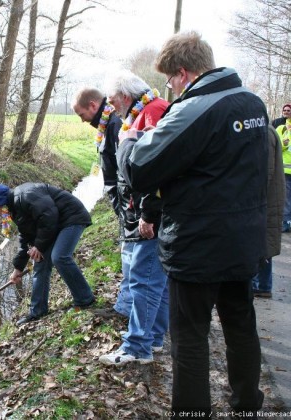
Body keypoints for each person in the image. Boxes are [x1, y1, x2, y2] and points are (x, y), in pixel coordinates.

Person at [117, 31, 266, 416]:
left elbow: (139, 170)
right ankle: (248, 406)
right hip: (243, 241)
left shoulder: (192, 110)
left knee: (190, 338)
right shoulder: (253, 103)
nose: (170, 87)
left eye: (169, 79)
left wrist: (130, 141)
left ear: (183, 73)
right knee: (240, 326)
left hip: (197, 246)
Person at [98, 71, 170, 365]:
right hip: (147, 210)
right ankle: (153, 339)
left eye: (113, 100)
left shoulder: (152, 112)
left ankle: (137, 347)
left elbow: (157, 169)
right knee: (157, 282)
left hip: (151, 215)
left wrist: (147, 214)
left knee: (144, 279)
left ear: (125, 96)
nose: (111, 107)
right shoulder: (144, 112)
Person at [0, 183, 95, 326]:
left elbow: (49, 216)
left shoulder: (25, 196)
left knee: (59, 257)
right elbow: (26, 237)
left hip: (71, 218)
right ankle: (38, 311)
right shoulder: (14, 209)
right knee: (40, 262)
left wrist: (39, 246)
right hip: (55, 225)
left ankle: (85, 299)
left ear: (0, 202)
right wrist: (17, 268)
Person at [71, 88, 131, 318]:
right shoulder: (107, 124)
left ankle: (126, 310)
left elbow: (124, 166)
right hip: (121, 201)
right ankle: (125, 307)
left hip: (127, 202)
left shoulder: (115, 124)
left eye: (81, 114)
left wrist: (125, 202)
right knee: (127, 252)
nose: (82, 120)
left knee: (130, 253)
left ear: (94, 106)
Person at [252, 125, 285, 299]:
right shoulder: (266, 130)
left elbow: (266, 171)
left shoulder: (265, 132)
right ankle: (261, 284)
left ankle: (261, 285)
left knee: (263, 241)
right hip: (267, 199)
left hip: (266, 200)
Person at [275, 119, 291, 232]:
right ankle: (285, 222)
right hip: (286, 170)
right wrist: (285, 144)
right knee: (286, 198)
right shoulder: (282, 128)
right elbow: (276, 145)